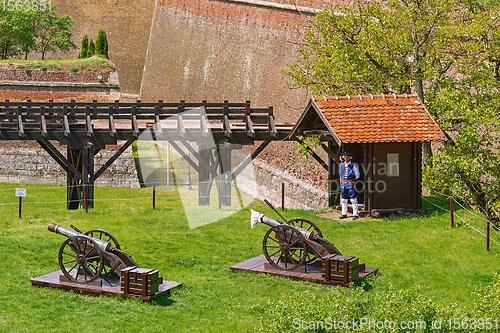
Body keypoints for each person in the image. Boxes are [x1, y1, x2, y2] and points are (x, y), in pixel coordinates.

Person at [339, 152, 359, 220]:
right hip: (343, 184)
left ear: (350, 158)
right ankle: (344, 213)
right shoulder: (341, 165)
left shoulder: (353, 166)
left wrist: (352, 180)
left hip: (350, 183)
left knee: (353, 199)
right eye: (344, 157)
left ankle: (355, 214)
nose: (345, 158)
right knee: (344, 199)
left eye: (347, 157)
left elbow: (357, 175)